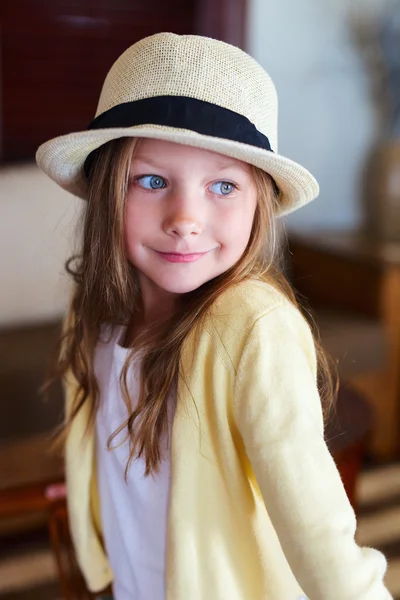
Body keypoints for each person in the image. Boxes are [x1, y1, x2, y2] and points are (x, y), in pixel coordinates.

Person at [36, 32, 392, 600]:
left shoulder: (253, 329)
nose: (185, 218)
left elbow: (318, 527)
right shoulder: (95, 311)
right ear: (107, 190)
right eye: (152, 181)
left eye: (222, 185)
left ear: (259, 206)